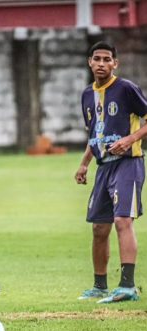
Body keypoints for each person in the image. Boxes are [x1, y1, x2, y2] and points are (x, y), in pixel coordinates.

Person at [75, 41, 147, 303]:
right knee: (99, 228)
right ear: (90, 62)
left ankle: (127, 285)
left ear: (115, 63)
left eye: (107, 59)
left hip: (128, 163)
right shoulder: (86, 95)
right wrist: (84, 163)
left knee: (122, 221)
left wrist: (130, 139)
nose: (102, 64)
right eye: (97, 59)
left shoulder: (126, 89)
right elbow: (95, 133)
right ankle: (99, 285)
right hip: (103, 167)